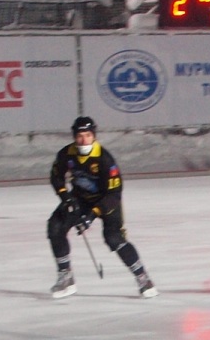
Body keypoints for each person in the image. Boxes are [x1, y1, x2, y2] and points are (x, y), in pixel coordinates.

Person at [46, 116, 157, 299]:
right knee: (55, 227)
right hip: (80, 198)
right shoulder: (67, 154)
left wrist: (91, 215)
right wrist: (66, 197)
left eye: (88, 135)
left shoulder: (104, 159)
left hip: (106, 201)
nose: (84, 140)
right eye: (80, 136)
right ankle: (65, 277)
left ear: (94, 136)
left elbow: (114, 193)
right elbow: (56, 176)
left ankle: (143, 279)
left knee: (114, 238)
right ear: (74, 136)